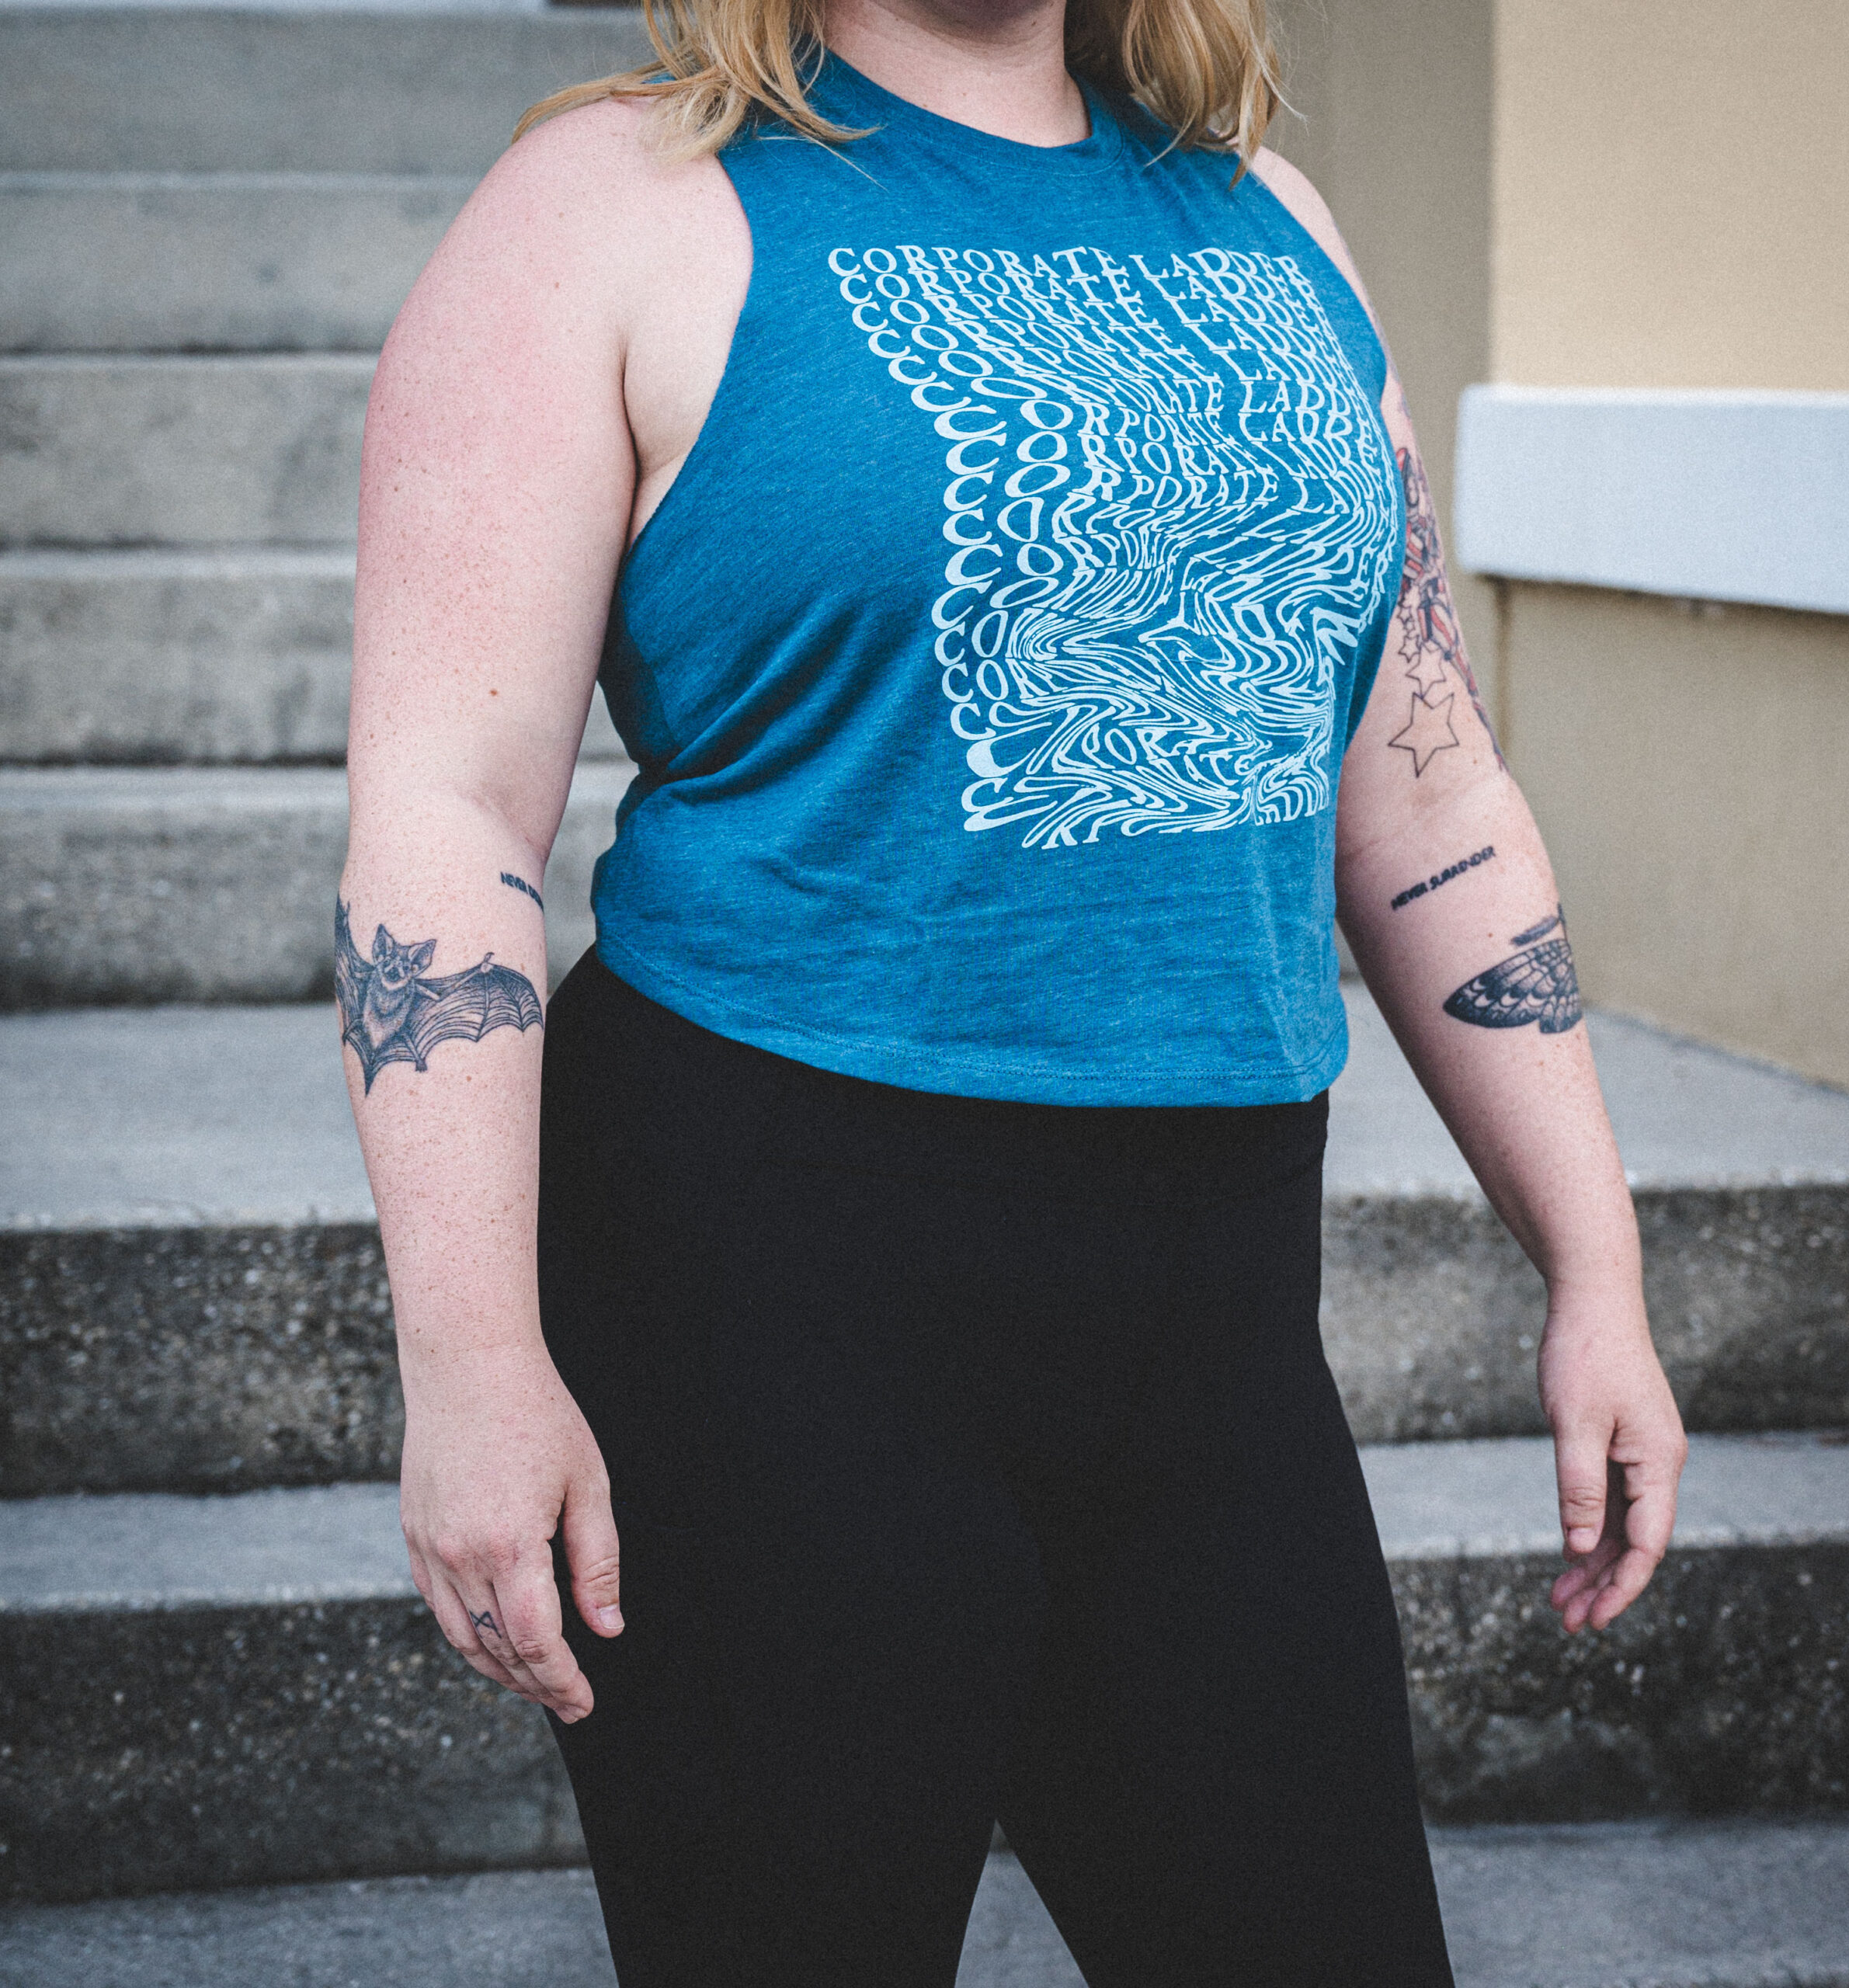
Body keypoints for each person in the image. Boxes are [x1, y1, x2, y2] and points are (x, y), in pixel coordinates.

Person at [337, 0, 1687, 1974]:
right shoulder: (609, 213)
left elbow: (1422, 786)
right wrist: (468, 1361)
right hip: (766, 1284)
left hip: (1210, 1295)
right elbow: (447, 821)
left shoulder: (1271, 226)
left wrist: (1595, 1269)